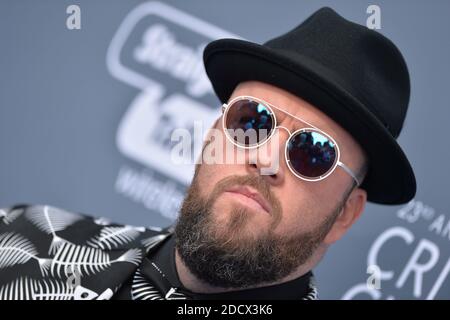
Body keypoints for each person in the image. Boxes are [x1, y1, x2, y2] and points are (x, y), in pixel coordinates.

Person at [0, 7, 416, 300]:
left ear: (344, 214)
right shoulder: (22, 236)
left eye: (313, 152)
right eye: (250, 121)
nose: (265, 160)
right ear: (212, 136)